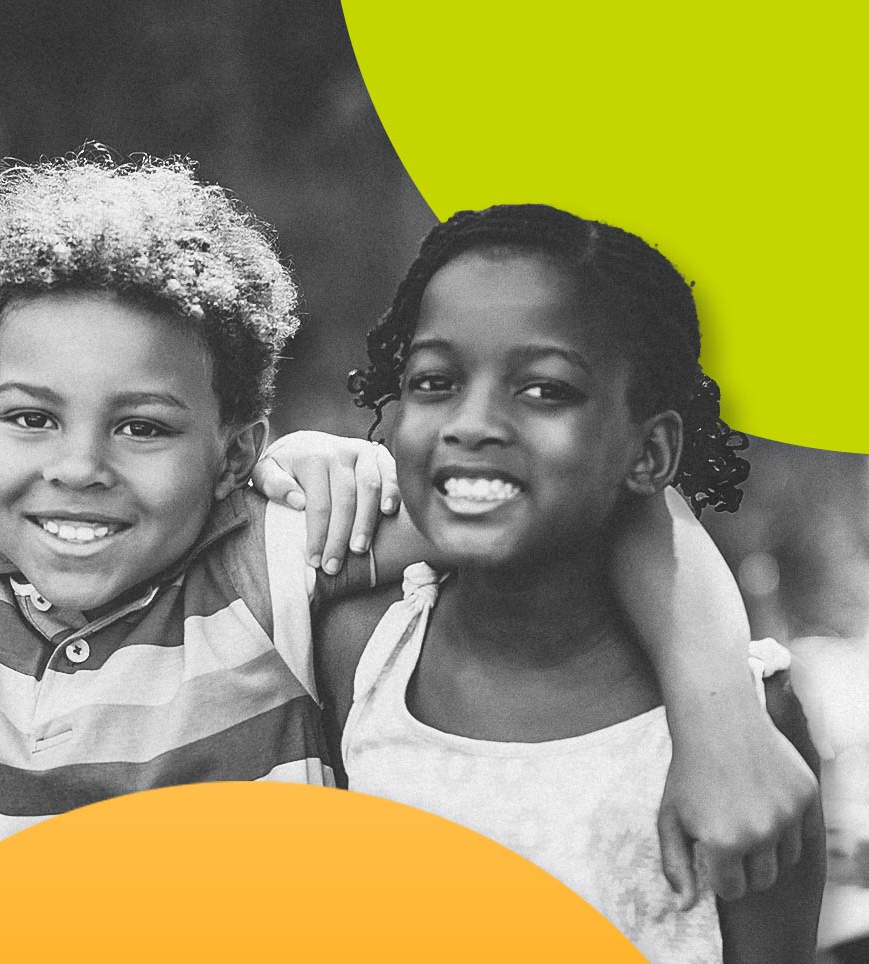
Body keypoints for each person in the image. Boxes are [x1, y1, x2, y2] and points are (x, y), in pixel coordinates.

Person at [0, 155, 817, 892]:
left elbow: (605, 505)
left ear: (236, 450)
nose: (77, 467)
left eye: (143, 425)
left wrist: (720, 710)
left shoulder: (275, 553)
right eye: (32, 417)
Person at [319, 203, 822, 962]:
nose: (473, 422)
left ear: (649, 453)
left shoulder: (744, 725)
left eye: (546, 390)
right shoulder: (362, 654)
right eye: (434, 381)